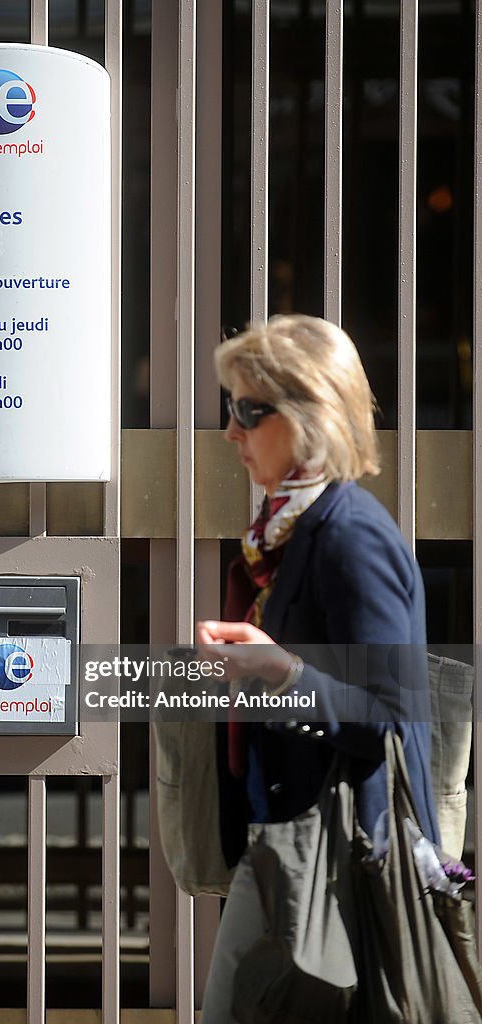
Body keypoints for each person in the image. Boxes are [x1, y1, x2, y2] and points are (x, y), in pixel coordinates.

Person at [195, 314, 439, 1024]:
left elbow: (389, 714)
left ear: (307, 415)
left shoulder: (348, 536)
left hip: (337, 854)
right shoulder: (287, 532)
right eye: (229, 408)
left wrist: (279, 672)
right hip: (288, 841)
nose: (231, 432)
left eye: (247, 410)